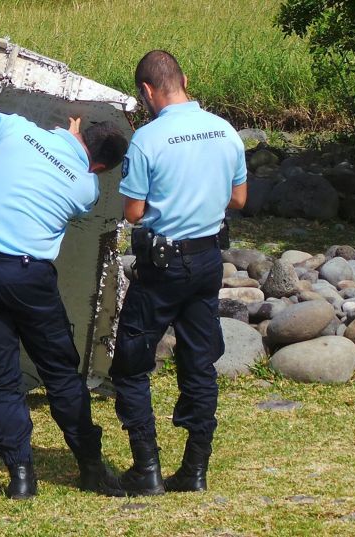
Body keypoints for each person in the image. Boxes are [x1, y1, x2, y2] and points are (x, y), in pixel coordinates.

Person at [0, 52, 129, 500]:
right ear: (103, 167)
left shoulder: (16, 131)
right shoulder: (86, 186)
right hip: (30, 277)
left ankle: (20, 475)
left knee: (1, 376)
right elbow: (73, 168)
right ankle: (90, 465)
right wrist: (74, 148)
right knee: (60, 373)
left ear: (80, 130)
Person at [110, 50, 247, 495]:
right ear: (184, 79)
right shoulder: (225, 131)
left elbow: (133, 212)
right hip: (209, 260)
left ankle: (146, 468)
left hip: (162, 266)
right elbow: (239, 199)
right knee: (199, 361)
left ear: (147, 92)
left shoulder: (148, 140)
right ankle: (195, 469)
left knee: (131, 364)